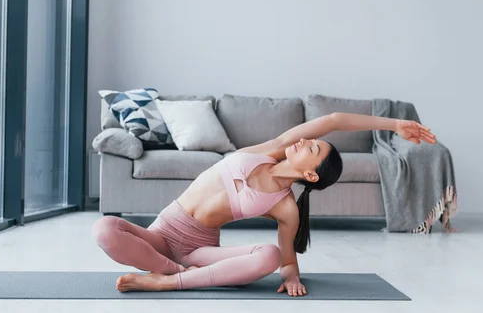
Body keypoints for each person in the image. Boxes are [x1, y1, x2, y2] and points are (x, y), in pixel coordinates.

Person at [92, 111, 436, 297]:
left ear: (311, 176)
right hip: (162, 236)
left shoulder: (285, 207)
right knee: (104, 229)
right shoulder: (268, 150)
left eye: (312, 149)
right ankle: (173, 273)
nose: (303, 141)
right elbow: (333, 121)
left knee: (268, 257)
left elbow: (285, 258)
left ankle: (169, 280)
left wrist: (291, 277)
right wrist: (394, 124)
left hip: (200, 252)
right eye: (310, 141)